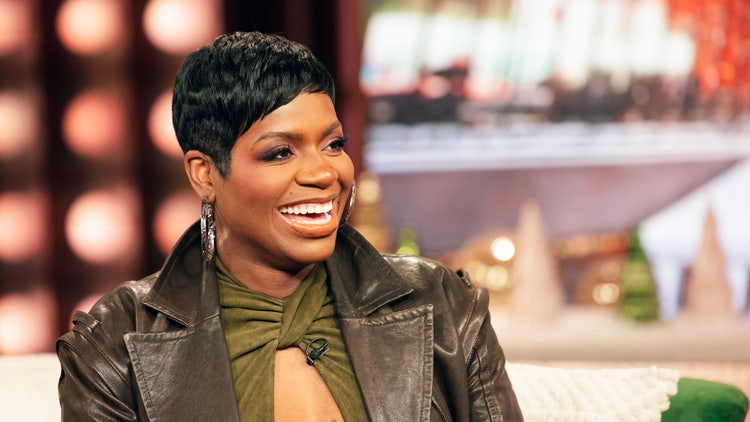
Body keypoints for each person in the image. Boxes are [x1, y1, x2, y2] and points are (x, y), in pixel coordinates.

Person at [56, 31, 523, 421]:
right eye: (280, 153)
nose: (324, 173)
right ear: (205, 174)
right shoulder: (114, 343)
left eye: (334, 144)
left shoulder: (442, 304)